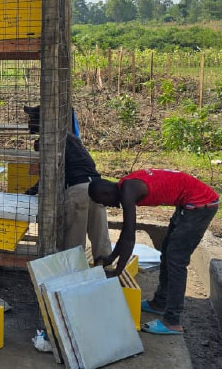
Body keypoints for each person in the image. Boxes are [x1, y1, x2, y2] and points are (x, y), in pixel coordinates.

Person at [89, 170, 218, 335]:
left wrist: (117, 272)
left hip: (200, 204)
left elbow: (129, 237)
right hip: (188, 202)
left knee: (176, 260)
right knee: (167, 252)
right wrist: (111, 257)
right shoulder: (126, 185)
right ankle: (160, 302)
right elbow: (126, 233)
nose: (107, 206)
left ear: (106, 193)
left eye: (103, 202)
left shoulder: (128, 191)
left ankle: (172, 321)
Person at [23, 106, 111, 260]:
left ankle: (73, 271)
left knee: (74, 241)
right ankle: (106, 266)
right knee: (100, 237)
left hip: (78, 190)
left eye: (32, 119)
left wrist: (28, 192)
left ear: (42, 121)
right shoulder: (69, 137)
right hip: (98, 188)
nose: (29, 123)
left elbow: (47, 176)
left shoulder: (50, 140)